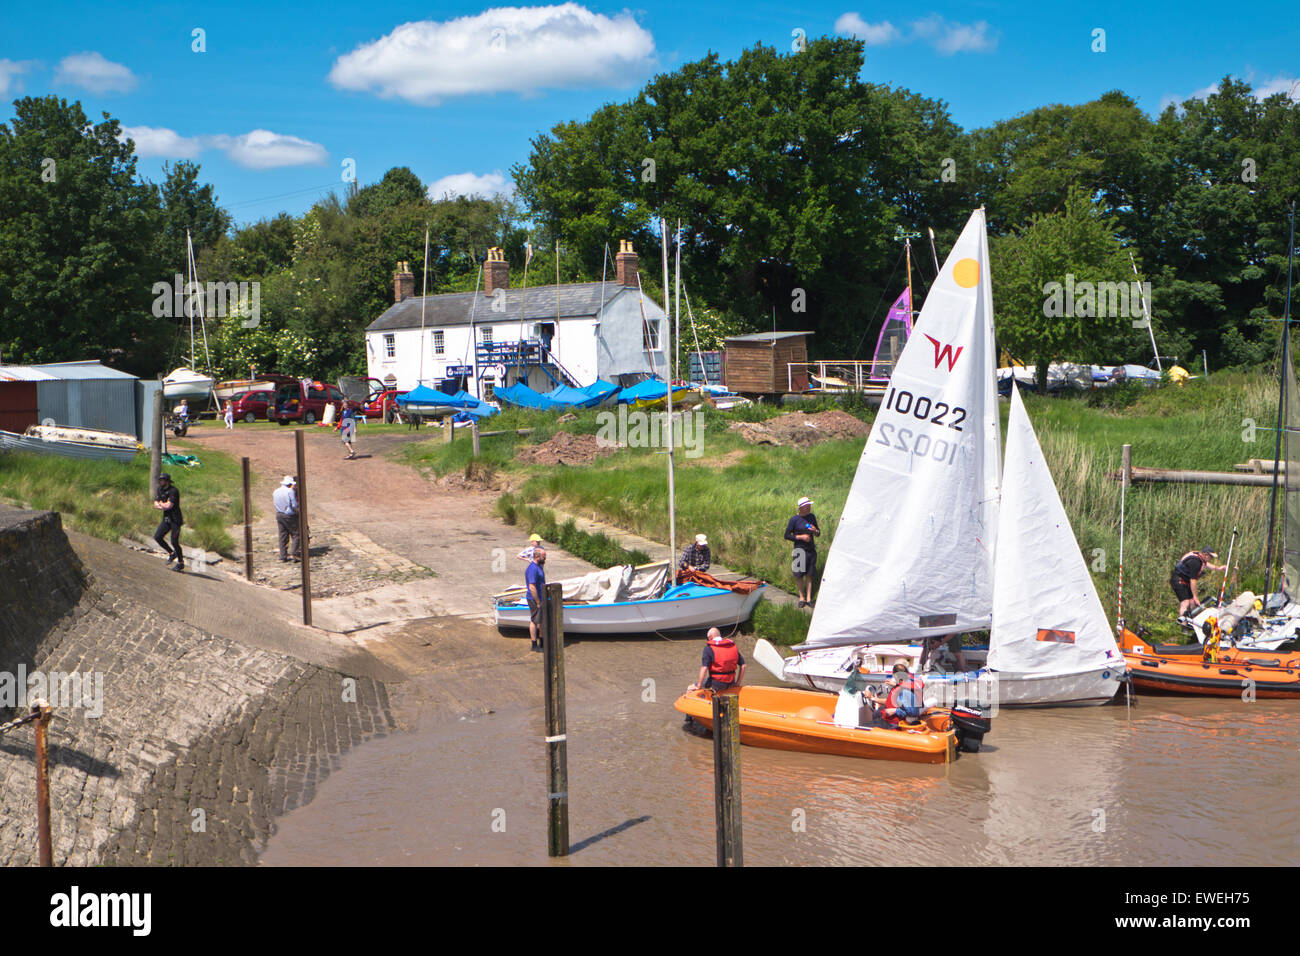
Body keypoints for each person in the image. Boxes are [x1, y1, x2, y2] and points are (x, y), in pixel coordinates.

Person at [1170, 547, 1225, 624]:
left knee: (1193, 602)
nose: (1211, 558)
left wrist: (1218, 568)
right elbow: (1193, 580)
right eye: (1211, 556)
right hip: (1178, 580)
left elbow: (1206, 564)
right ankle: (1184, 625)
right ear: (1205, 555)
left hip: (1185, 580)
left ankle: (1192, 622)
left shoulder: (1200, 558)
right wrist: (1195, 597)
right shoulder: (1195, 563)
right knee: (1185, 602)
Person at [784, 496, 820, 607]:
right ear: (801, 508)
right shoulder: (794, 520)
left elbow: (818, 533)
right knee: (799, 575)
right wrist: (801, 537)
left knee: (809, 575)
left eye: (810, 506)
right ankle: (801, 598)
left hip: (810, 550)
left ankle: (809, 599)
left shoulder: (812, 517)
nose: (809, 508)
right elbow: (786, 535)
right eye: (807, 506)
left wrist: (815, 531)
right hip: (799, 550)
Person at [688, 627, 746, 693]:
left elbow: (704, 668)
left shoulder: (709, 648)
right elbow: (743, 665)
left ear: (710, 637)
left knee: (690, 688)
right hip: (731, 683)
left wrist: (699, 686)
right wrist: (737, 683)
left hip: (717, 684)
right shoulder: (732, 646)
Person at [152, 472, 185, 572]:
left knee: (174, 541)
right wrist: (162, 504)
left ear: (167, 481)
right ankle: (172, 553)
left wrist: (161, 504)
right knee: (157, 537)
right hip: (167, 519)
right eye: (159, 480)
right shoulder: (160, 489)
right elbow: (155, 504)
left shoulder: (173, 491)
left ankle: (180, 563)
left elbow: (169, 506)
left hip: (175, 520)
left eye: (161, 480)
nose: (159, 482)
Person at [273, 475, 301, 562]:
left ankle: (283, 556)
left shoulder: (276, 491)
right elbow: (294, 504)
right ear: (290, 484)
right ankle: (294, 553)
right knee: (297, 533)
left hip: (279, 514)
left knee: (283, 535)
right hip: (289, 515)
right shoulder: (290, 491)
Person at [526, 546, 547, 652]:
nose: (545, 558)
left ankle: (542, 642)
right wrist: (538, 601)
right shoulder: (533, 569)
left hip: (541, 598)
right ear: (537, 556)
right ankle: (534, 645)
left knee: (542, 620)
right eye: (544, 556)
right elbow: (532, 587)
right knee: (535, 621)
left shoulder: (539, 567)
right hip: (534, 598)